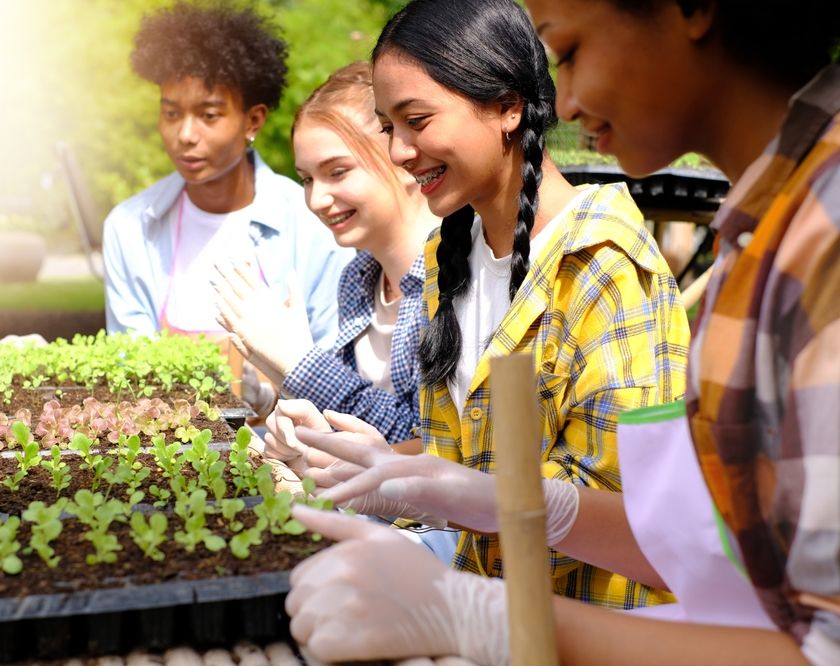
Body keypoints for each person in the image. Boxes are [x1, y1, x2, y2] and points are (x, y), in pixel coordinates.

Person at [285, 0, 840, 664]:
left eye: (569, 53)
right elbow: (703, 534)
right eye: (388, 127)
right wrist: (402, 472)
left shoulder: (801, 239)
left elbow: (805, 632)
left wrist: (482, 613)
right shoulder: (758, 237)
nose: (566, 101)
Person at [270, 0, 689, 608]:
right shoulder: (449, 255)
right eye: (389, 128)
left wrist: (435, 489)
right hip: (490, 613)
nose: (400, 153)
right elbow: (466, 460)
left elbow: (634, 517)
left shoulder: (602, 264)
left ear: (507, 107)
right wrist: (376, 462)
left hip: (591, 627)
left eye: (417, 120)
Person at [101, 1, 352, 350]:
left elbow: (332, 357)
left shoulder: (313, 221)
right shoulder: (130, 228)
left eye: (209, 115)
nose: (186, 134)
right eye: (172, 113)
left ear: (253, 121)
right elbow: (131, 364)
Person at [212, 62, 439, 441]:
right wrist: (277, 389)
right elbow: (348, 421)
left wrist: (298, 363)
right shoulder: (358, 279)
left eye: (337, 172)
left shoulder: (454, 276)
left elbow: (421, 439)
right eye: (306, 179)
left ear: (402, 157)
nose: (316, 198)